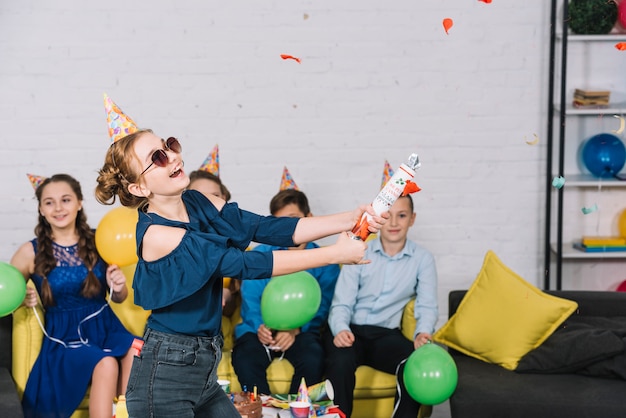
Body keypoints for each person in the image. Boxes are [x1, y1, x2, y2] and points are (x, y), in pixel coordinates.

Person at [94, 94, 387, 418]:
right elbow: (247, 264)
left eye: (170, 145)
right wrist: (335, 254)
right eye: (158, 158)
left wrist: (349, 218)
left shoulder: (198, 201)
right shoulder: (158, 235)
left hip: (203, 366)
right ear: (139, 188)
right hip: (165, 373)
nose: (174, 157)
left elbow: (264, 227)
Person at [11, 173, 135, 418]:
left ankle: (125, 412)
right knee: (106, 362)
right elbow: (9, 292)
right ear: (41, 209)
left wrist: (118, 286)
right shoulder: (29, 252)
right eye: (49, 202)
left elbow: (118, 297)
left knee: (138, 348)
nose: (58, 208)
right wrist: (22, 299)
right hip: (65, 337)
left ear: (79, 203)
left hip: (106, 326)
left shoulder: (101, 239)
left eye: (66, 200)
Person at [323, 194, 438, 418]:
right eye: (388, 216)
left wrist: (423, 332)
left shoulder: (422, 259)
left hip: (385, 334)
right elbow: (341, 302)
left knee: (413, 364)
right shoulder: (358, 250)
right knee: (341, 361)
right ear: (378, 219)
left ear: (412, 219)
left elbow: (427, 305)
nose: (394, 223)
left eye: (402, 216)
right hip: (351, 331)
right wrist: (341, 329)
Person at [232, 188, 341, 395]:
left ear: (309, 218)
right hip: (260, 330)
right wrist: (260, 327)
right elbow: (251, 299)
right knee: (245, 358)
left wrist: (294, 330)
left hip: (300, 333)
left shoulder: (325, 260)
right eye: (280, 222)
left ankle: (294, 409)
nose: (288, 228)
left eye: (294, 219)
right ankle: (262, 410)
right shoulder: (260, 255)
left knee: (312, 358)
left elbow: (322, 305)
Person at [188, 167, 239, 316]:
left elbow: (240, 309)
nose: (208, 203)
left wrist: (226, 294)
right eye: (200, 196)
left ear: (224, 198)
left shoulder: (239, 246)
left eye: (215, 196)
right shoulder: (175, 239)